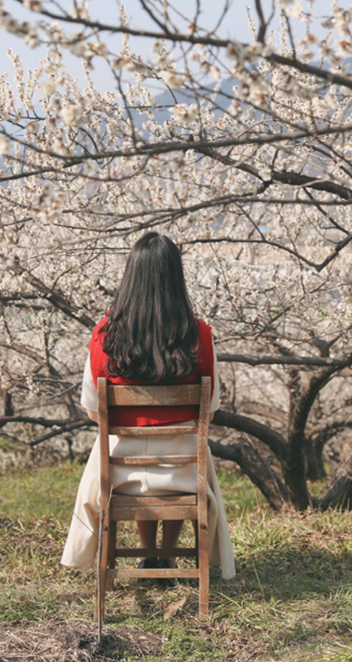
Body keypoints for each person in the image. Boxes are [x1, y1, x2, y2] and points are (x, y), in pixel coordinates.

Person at [60, 232, 236, 580]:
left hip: (120, 474)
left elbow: (95, 412)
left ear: (131, 276)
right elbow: (210, 410)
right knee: (180, 454)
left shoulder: (103, 336)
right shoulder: (199, 335)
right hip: (184, 472)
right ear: (175, 277)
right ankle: (167, 557)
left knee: (121, 450)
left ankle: (149, 555)